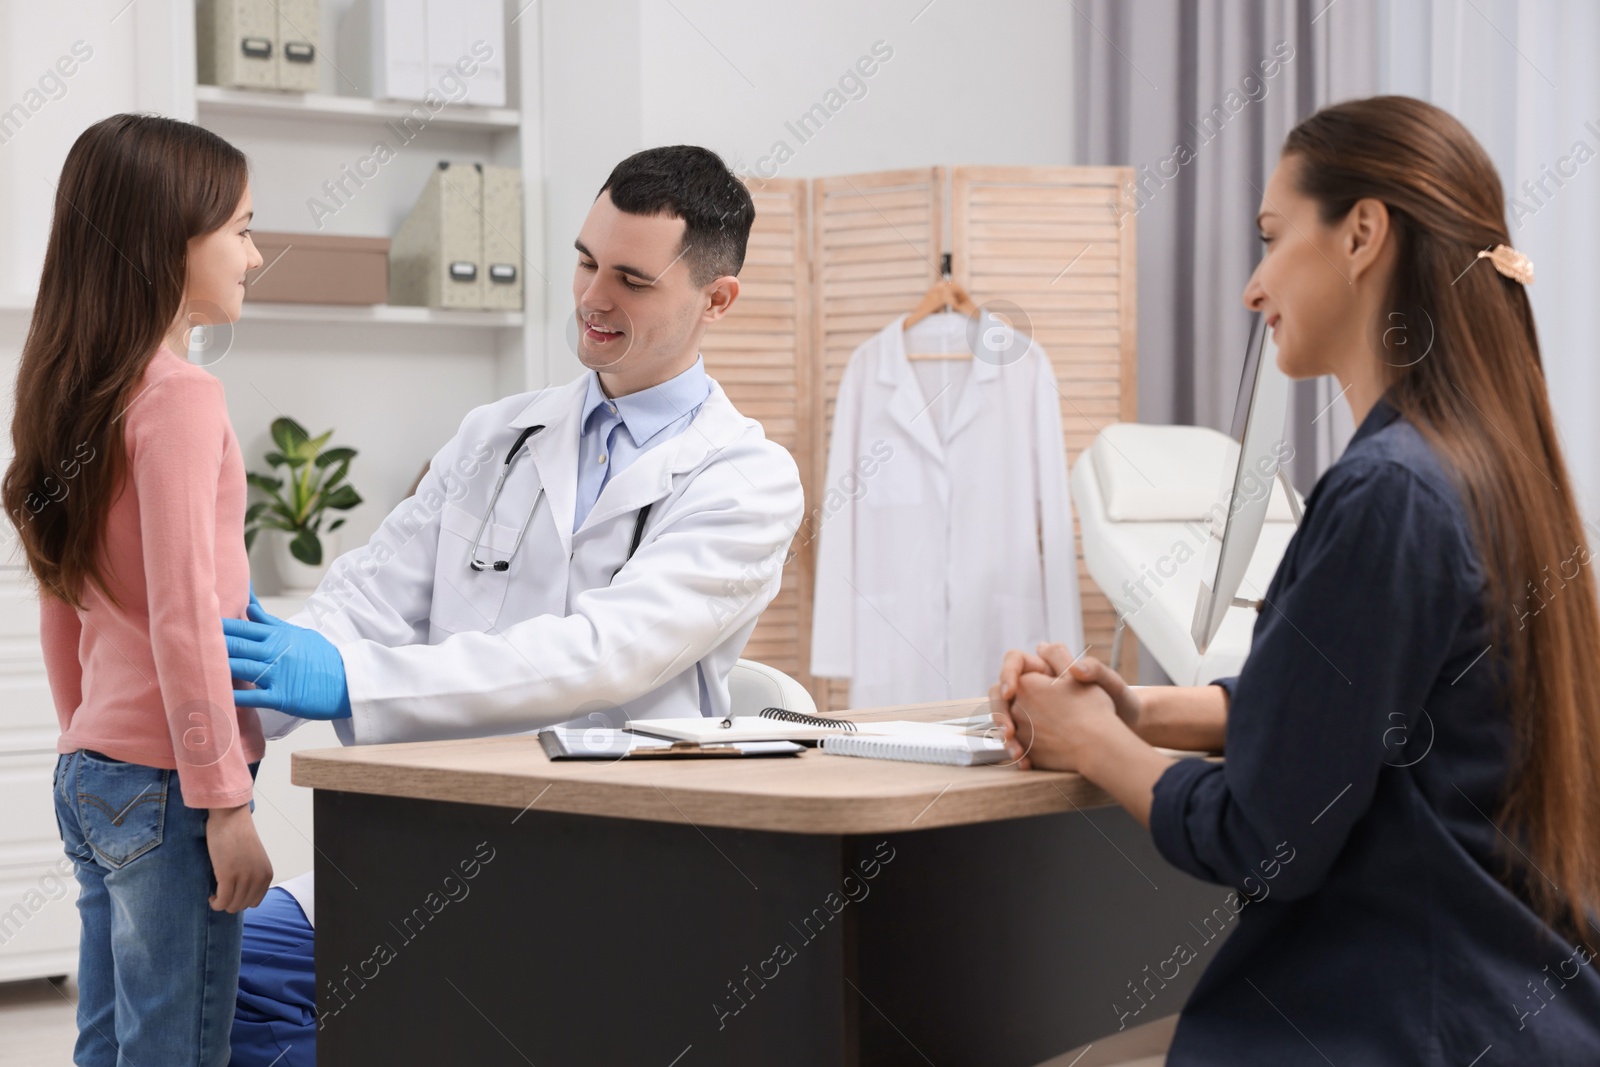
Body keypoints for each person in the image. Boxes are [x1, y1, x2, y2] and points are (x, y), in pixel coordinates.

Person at [991, 95, 1600, 1063]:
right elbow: (1373, 707)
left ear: (1360, 233)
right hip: (1517, 1005)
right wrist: (1144, 710)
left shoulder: (1385, 492)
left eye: (1273, 237)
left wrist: (1091, 741)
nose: (1251, 285)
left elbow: (1262, 838)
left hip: (1405, 1022)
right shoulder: (1490, 465)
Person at [221, 145, 805, 1066]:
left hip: (608, 861)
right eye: (584, 260)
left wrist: (351, 680)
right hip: (423, 847)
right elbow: (370, 597)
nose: (592, 298)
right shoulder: (498, 436)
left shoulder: (747, 480)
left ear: (716, 300)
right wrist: (259, 680)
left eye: (631, 279)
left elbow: (600, 655)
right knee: (220, 978)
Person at [3, 114, 271, 1066]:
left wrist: (86, 732)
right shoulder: (182, 397)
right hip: (171, 785)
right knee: (175, 1047)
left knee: (108, 1037)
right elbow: (183, 614)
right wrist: (225, 801)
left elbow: (58, 593)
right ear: (168, 242)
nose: (254, 252)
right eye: (239, 227)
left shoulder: (74, 391)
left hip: (96, 773)